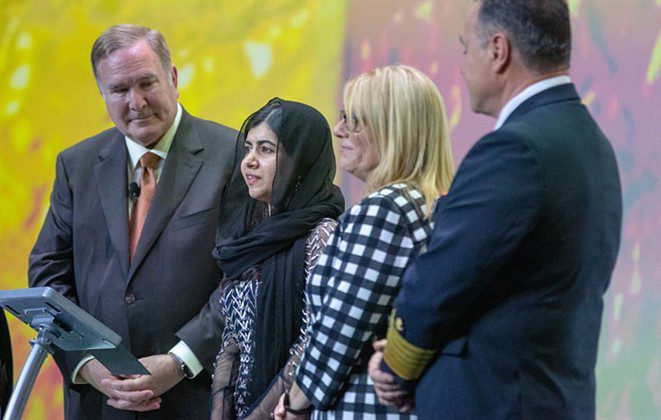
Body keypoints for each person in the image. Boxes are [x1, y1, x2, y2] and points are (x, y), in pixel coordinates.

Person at [370, 1, 623, 418]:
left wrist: (396, 367)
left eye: (466, 48)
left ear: (498, 50)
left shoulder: (514, 149)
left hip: (496, 402)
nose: (464, 63)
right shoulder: (591, 143)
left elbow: (441, 279)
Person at [28, 24, 237, 419]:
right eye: (120, 90)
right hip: (100, 404)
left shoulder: (232, 156)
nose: (137, 102)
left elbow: (244, 277)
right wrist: (87, 365)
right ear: (102, 95)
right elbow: (47, 274)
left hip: (197, 398)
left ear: (173, 78)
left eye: (147, 83)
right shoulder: (76, 165)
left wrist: (179, 361)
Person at [274, 65, 455, 419]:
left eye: (354, 121)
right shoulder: (431, 204)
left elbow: (339, 333)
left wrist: (295, 403)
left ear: (394, 130)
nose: (339, 131)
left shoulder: (385, 210)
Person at [210, 98, 344, 419]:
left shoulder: (322, 234)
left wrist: (259, 415)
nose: (250, 162)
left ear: (299, 162)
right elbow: (233, 336)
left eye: (266, 150)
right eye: (248, 149)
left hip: (291, 411)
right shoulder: (249, 235)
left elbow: (312, 341)